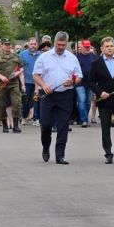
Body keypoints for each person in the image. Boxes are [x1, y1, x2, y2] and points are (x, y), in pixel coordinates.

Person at [33, 31, 81, 165]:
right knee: (46, 124)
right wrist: (43, 84)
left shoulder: (72, 58)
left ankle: (60, 155)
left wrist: (73, 81)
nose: (60, 47)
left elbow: (79, 76)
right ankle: (46, 146)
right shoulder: (44, 57)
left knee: (63, 125)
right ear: (54, 43)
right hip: (48, 94)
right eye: (58, 44)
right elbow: (36, 75)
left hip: (65, 94)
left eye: (63, 45)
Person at [87, 36, 114, 164]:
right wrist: (100, 92)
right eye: (107, 46)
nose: (110, 48)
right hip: (104, 100)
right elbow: (90, 82)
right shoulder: (96, 63)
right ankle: (108, 153)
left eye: (111, 46)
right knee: (105, 127)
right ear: (101, 48)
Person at [0, 38, 24, 133]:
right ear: (2, 46)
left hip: (14, 84)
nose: (7, 46)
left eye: (9, 44)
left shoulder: (16, 56)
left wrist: (17, 73)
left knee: (16, 103)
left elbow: (21, 68)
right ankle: (5, 125)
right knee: (2, 104)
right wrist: (1, 77)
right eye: (5, 44)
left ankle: (16, 125)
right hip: (2, 84)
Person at [74, 40, 97, 127]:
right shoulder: (76, 57)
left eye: (88, 47)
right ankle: (84, 120)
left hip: (91, 83)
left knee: (88, 102)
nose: (87, 48)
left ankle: (83, 117)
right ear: (81, 47)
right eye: (85, 47)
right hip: (80, 82)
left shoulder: (94, 57)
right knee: (82, 100)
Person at [19, 37, 41, 126]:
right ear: (28, 45)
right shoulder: (22, 55)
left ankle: (36, 119)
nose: (33, 46)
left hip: (38, 82)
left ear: (37, 45)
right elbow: (19, 69)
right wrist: (22, 84)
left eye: (34, 44)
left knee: (37, 100)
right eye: (31, 44)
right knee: (26, 101)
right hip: (26, 82)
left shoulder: (41, 55)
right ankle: (24, 117)